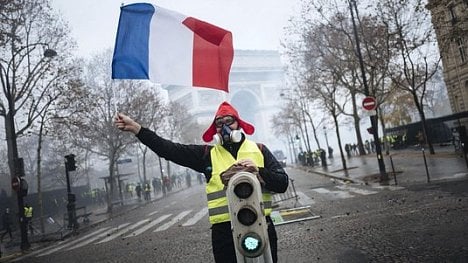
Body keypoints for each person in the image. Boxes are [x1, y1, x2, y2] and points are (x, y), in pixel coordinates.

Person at [115, 101, 289, 263]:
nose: (225, 127)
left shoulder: (259, 149)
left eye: (229, 121)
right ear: (215, 130)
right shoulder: (207, 154)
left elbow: (282, 183)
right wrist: (138, 129)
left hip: (260, 223)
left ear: (239, 124)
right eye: (219, 123)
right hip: (224, 232)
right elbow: (169, 150)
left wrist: (259, 171)